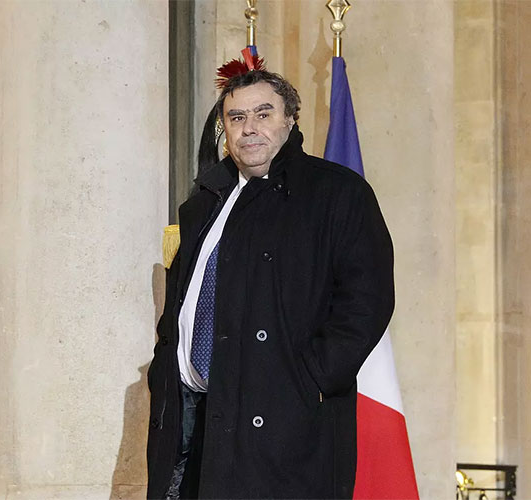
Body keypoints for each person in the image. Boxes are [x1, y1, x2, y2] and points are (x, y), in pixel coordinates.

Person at [146, 61, 394, 500]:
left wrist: (309, 379)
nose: (249, 128)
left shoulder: (337, 193)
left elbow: (366, 302)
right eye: (236, 117)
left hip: (285, 426)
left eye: (264, 114)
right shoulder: (204, 203)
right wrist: (166, 371)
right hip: (194, 422)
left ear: (290, 119)